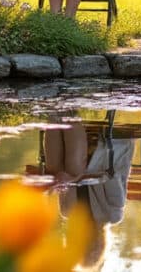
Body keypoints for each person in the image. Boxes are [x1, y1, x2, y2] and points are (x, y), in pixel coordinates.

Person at [42, 112, 136, 269]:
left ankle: (54, 114)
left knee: (54, 171)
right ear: (97, 242)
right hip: (109, 155)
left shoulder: (68, 212)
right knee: (74, 167)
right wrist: (73, 178)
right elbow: (111, 176)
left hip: (78, 158)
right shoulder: (112, 214)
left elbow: (63, 179)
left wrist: (56, 184)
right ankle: (68, 112)